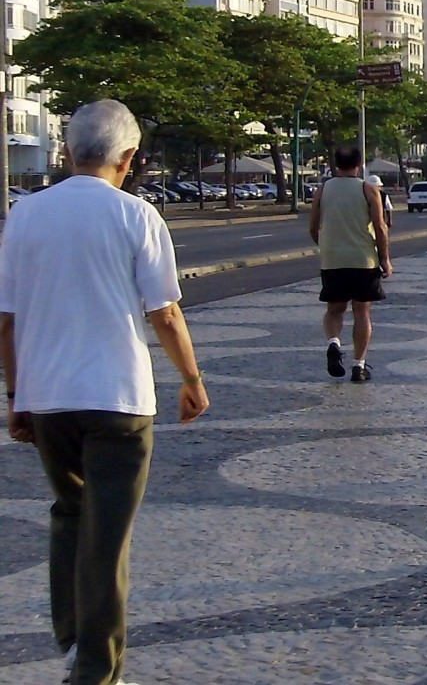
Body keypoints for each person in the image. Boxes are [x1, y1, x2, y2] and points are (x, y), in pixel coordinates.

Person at [1, 99, 210, 685]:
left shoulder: (24, 214)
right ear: (129, 158)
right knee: (108, 534)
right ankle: (95, 669)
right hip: (117, 398)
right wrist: (191, 380)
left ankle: (72, 641)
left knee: (70, 515)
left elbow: (7, 320)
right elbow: (165, 313)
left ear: (68, 152)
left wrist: (17, 396)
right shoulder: (137, 216)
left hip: (47, 398)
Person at [309, 145, 392, 384]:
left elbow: (313, 227)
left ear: (336, 163)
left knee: (334, 310)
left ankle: (333, 343)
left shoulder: (322, 190)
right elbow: (380, 227)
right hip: (363, 260)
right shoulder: (368, 189)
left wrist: (325, 245)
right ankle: (359, 365)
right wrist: (385, 259)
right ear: (360, 164)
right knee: (362, 312)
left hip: (333, 259)